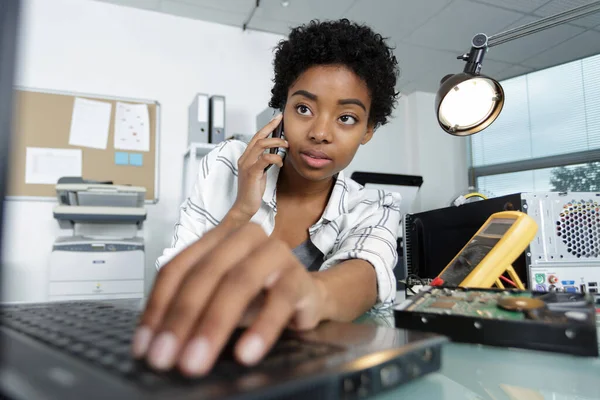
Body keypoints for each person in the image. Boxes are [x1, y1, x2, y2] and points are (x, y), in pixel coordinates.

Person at [132, 18, 401, 377]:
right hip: (209, 360)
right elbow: (177, 280)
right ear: (282, 111)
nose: (320, 132)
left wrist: (309, 294)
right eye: (303, 108)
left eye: (347, 118)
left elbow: (367, 275)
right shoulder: (227, 165)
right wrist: (241, 211)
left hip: (312, 368)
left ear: (368, 130)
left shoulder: (374, 207)